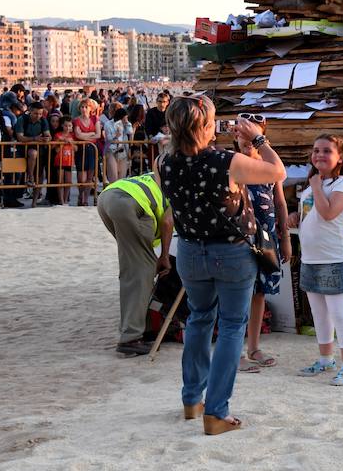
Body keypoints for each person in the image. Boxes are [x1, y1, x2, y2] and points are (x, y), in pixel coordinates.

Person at [157, 95, 286, 435]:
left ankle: (192, 400)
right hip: (231, 253)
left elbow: (172, 203)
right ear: (205, 126)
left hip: (190, 251)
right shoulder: (224, 161)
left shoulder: (164, 162)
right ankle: (216, 412)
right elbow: (277, 172)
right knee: (231, 326)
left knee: (199, 320)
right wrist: (258, 138)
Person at [287, 135, 343, 386]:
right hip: (312, 258)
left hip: (336, 257)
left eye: (326, 151)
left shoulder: (342, 184)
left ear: (339, 157)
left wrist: (317, 187)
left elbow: (329, 213)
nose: (319, 155)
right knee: (319, 313)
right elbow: (315, 213)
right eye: (316, 150)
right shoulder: (311, 186)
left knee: (340, 313)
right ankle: (326, 358)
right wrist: (298, 214)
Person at [97, 172, 174, 356]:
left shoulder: (164, 172)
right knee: (140, 271)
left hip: (108, 197)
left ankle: (142, 327)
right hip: (131, 204)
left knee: (136, 267)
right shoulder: (184, 186)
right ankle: (131, 337)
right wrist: (164, 256)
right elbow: (168, 221)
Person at [235, 134, 291, 372]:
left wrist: (285, 237)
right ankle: (236, 353)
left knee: (260, 292)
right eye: (240, 135)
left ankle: (254, 346)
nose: (245, 140)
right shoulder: (234, 163)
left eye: (250, 135)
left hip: (267, 239)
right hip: (240, 240)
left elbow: (280, 204)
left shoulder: (270, 168)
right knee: (239, 294)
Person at [15, 101, 51, 191]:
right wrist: (34, 138)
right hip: (23, 148)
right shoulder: (22, 119)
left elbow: (48, 135)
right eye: (35, 113)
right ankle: (30, 177)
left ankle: (36, 197)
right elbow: (20, 137)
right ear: (30, 111)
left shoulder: (43, 120)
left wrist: (47, 138)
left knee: (40, 173)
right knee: (33, 153)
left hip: (39, 148)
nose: (38, 116)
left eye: (40, 114)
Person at [73, 98, 101, 206]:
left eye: (86, 107)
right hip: (81, 150)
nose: (84, 109)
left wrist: (84, 136)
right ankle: (81, 195)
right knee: (81, 178)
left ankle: (85, 199)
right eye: (82, 107)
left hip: (92, 149)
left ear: (90, 108)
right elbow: (77, 135)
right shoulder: (76, 120)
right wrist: (91, 134)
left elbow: (98, 135)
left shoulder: (95, 119)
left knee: (90, 177)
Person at [104, 108, 133, 185]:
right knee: (113, 177)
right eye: (125, 118)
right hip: (111, 151)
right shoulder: (108, 124)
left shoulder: (125, 124)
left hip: (122, 150)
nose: (126, 119)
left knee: (122, 178)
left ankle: (119, 196)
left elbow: (130, 132)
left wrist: (127, 123)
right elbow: (109, 138)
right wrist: (115, 135)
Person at [53, 118, 75, 205]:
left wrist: (71, 143)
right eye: (66, 125)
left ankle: (65, 200)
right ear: (62, 125)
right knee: (60, 181)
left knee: (68, 182)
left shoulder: (72, 136)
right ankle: (61, 201)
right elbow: (54, 149)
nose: (67, 127)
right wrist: (61, 142)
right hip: (60, 161)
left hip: (69, 161)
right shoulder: (58, 135)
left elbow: (76, 148)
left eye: (69, 126)